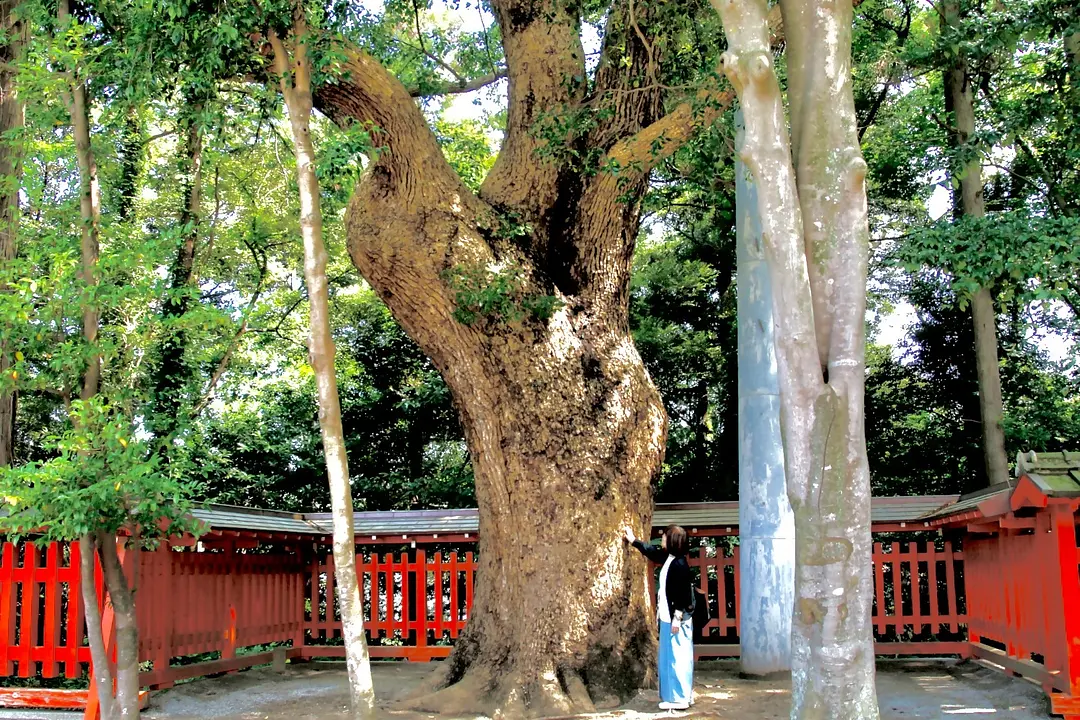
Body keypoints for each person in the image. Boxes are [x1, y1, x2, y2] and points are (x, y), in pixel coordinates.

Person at [624, 524, 694, 711]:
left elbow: (683, 595)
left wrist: (677, 619)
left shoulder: (680, 565)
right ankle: (678, 695)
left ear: (673, 541)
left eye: (665, 537)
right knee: (669, 657)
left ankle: (679, 698)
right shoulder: (669, 558)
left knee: (677, 657)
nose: (662, 539)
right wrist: (634, 541)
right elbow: (651, 552)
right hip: (667, 616)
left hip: (676, 618)